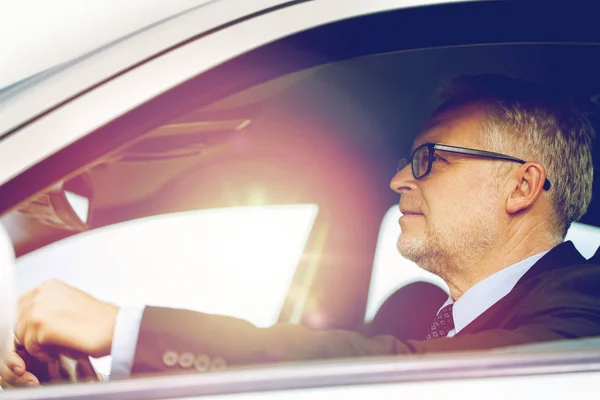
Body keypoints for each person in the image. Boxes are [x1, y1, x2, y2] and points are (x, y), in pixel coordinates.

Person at [3, 74, 600, 387]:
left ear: (522, 187)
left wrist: (122, 328)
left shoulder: (585, 311)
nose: (397, 180)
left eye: (427, 159)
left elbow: (394, 376)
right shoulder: (422, 320)